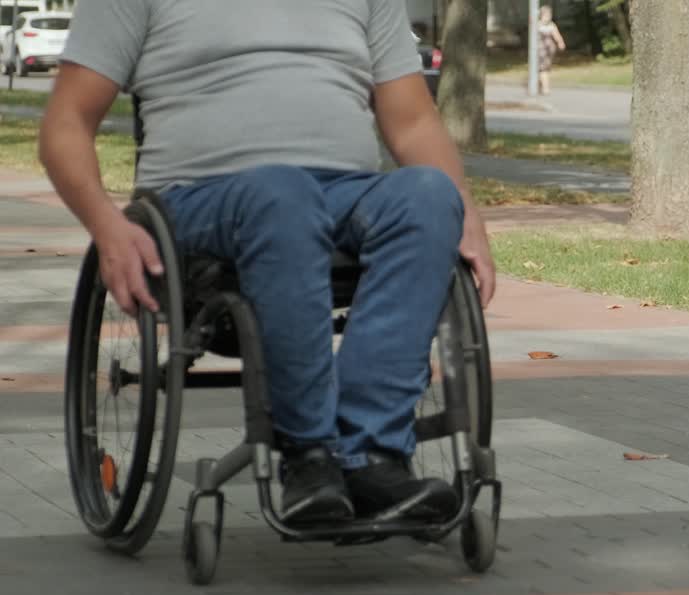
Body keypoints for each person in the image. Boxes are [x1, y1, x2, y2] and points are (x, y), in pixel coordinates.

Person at [38, 0, 498, 526]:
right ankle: (308, 454)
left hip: (340, 194)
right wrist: (106, 225)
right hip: (199, 199)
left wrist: (464, 211)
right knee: (283, 193)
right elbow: (66, 125)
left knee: (427, 196)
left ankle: (371, 454)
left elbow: (413, 121)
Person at [537, 5, 566, 96]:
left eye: (549, 15)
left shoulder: (551, 25)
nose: (548, 17)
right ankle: (544, 88)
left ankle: (542, 86)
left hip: (548, 51)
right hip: (540, 51)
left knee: (545, 69)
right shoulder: (538, 25)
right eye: (546, 15)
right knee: (542, 69)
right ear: (541, 15)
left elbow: (556, 35)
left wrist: (561, 43)